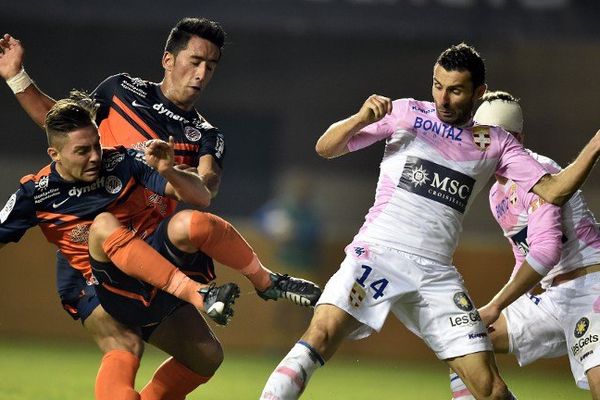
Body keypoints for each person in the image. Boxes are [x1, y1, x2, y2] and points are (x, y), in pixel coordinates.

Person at [0, 18, 321, 398]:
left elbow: (205, 191)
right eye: (194, 60)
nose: (201, 73)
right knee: (124, 345)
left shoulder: (205, 135)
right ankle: (204, 293)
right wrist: (17, 77)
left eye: (211, 66)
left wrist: (168, 167)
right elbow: (66, 128)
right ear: (168, 59)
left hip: (149, 251)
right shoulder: (121, 91)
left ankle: (264, 280)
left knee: (205, 356)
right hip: (87, 257)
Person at [260, 43, 600, 400]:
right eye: (438, 86)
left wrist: (594, 146)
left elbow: (553, 190)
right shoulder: (406, 112)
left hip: (436, 273)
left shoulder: (494, 142)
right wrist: (360, 118)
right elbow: (325, 148)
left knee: (490, 389)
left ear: (478, 92)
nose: (444, 99)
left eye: (455, 90)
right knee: (322, 334)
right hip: (378, 252)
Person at [447, 91, 600, 399]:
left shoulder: (540, 172)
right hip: (554, 298)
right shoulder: (497, 195)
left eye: (494, 137)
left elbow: (546, 252)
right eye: (480, 136)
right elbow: (525, 256)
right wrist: (508, 304)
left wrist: (496, 305)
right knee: (466, 341)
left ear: (518, 138)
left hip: (592, 288)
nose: (484, 145)